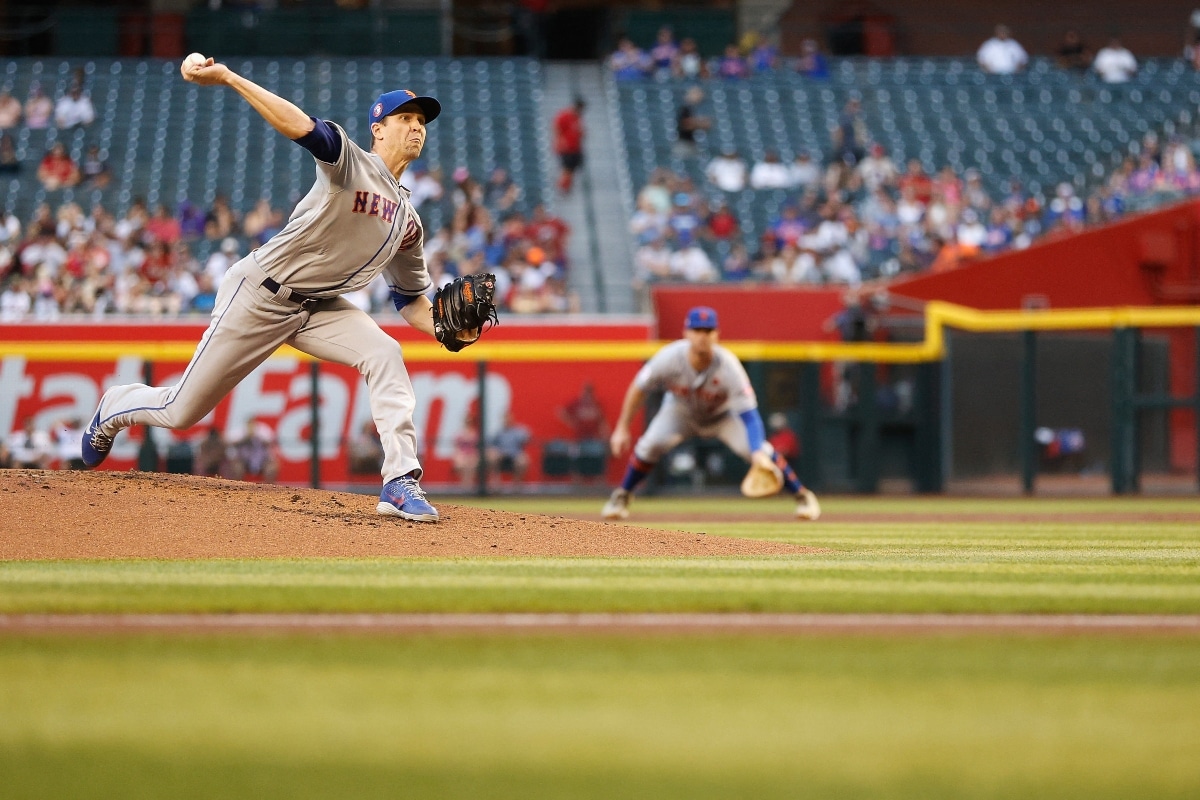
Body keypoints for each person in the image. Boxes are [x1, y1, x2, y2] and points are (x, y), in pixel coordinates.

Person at [80, 52, 456, 523]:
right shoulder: (351, 163)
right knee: (180, 410)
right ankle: (115, 405)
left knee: (384, 353)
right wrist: (229, 78)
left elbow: (409, 300)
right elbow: (301, 127)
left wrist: (447, 329)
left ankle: (400, 480)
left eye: (421, 120)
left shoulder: (410, 223)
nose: (417, 126)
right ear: (378, 128)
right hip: (260, 292)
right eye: (405, 118)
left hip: (319, 308)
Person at [601, 306, 820, 521]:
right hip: (680, 411)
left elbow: (750, 414)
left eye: (708, 331)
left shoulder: (729, 366)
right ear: (686, 333)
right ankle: (622, 496)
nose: (702, 337)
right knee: (650, 445)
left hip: (722, 416)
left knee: (761, 449)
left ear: (717, 334)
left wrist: (755, 451)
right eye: (697, 330)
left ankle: (803, 496)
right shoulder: (668, 357)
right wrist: (622, 427)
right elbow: (638, 388)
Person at [225, 419, 280, 484]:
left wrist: (258, 438)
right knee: (237, 468)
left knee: (271, 469)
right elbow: (227, 442)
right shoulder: (240, 431)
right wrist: (245, 439)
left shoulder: (263, 430)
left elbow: (272, 441)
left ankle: (270, 489)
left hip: (263, 460)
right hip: (243, 460)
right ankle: (236, 489)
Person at [553, 97, 585, 195]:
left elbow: (579, 132)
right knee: (566, 169)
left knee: (571, 170)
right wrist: (560, 142)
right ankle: (562, 187)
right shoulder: (565, 116)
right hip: (566, 149)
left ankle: (566, 187)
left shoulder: (577, 118)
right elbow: (557, 128)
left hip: (575, 149)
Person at [489, 410, 531, 485]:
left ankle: (516, 485)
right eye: (504, 419)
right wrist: (494, 450)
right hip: (501, 454)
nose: (506, 421)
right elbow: (491, 444)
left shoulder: (519, 430)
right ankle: (495, 484)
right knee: (492, 456)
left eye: (508, 418)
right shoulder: (499, 432)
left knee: (523, 461)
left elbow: (526, 438)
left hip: (515, 454)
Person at [673, 86, 711, 160]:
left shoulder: (695, 109)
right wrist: (700, 123)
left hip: (691, 143)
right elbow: (685, 124)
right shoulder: (685, 108)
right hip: (683, 144)